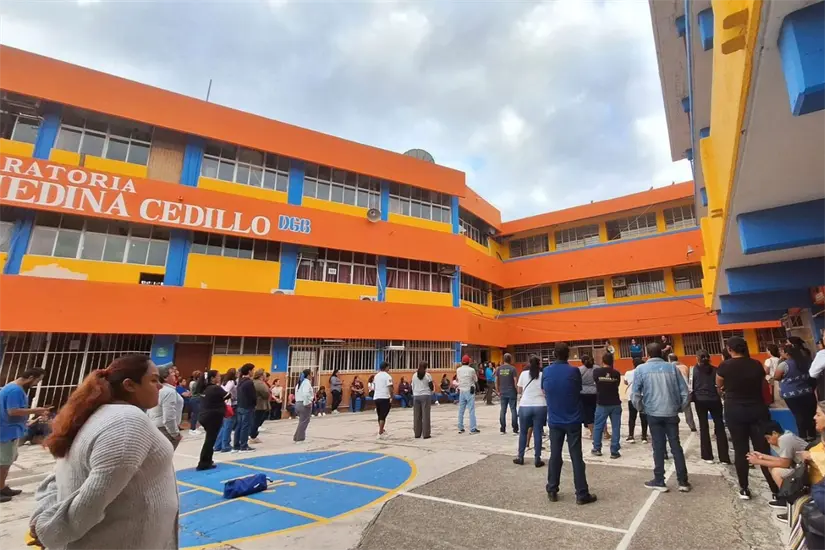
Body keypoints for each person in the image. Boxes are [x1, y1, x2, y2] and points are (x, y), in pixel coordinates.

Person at [28, 356, 177, 550]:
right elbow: (93, 498)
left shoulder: (103, 415)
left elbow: (56, 476)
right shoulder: (127, 421)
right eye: (154, 379)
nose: (160, 386)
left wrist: (45, 518)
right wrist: (49, 530)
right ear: (129, 385)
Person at [716, 335, 779, 500]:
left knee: (740, 450)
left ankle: (744, 488)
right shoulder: (756, 364)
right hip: (757, 409)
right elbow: (762, 384)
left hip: (735, 411)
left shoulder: (724, 366)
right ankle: (775, 490)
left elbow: (719, 385)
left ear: (729, 350)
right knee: (763, 450)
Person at [631, 342, 691, 493]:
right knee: (676, 445)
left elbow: (635, 394)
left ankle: (659, 480)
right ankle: (683, 481)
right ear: (662, 353)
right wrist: (679, 407)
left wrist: (641, 408)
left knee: (658, 446)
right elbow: (685, 392)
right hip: (671, 412)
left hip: (653, 412)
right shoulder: (672, 368)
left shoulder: (641, 369)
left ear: (648, 354)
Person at [543, 343, 596, 505]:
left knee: (555, 455)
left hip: (555, 419)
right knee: (576, 457)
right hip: (572, 419)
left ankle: (552, 489)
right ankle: (581, 493)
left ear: (553, 354)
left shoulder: (546, 371)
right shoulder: (573, 371)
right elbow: (577, 389)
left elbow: (545, 390)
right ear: (568, 355)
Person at [0, 368, 48, 503]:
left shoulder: (13, 387)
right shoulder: (15, 390)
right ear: (31, 377)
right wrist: (36, 410)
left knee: (7, 461)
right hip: (6, 432)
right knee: (3, 463)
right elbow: (12, 411)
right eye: (37, 380)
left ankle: (2, 486)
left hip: (10, 431)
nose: (36, 383)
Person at [747, 421, 809, 509]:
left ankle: (788, 501)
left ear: (774, 433)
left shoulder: (784, 439)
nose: (768, 442)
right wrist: (762, 456)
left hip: (808, 470)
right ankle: (785, 497)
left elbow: (784, 464)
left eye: (768, 438)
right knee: (772, 467)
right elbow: (783, 460)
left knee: (777, 472)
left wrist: (758, 461)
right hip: (801, 468)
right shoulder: (785, 437)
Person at [691, 350, 731, 465]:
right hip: (714, 399)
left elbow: (691, 385)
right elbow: (720, 385)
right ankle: (724, 457)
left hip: (700, 400)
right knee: (720, 426)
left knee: (703, 427)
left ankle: (707, 456)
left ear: (697, 358)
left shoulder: (694, 370)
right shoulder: (716, 369)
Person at [776, 343, 818, 441]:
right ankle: (812, 434)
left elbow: (777, 376)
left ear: (786, 353)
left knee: (798, 414)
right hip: (807, 391)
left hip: (791, 394)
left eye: (781, 351)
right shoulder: (805, 361)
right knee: (810, 413)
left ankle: (803, 436)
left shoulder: (784, 364)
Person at [513, 356, 546, 467]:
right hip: (540, 405)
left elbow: (519, 389)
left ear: (529, 363)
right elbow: (545, 390)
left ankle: (520, 457)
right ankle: (537, 458)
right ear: (539, 364)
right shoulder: (543, 375)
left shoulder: (523, 374)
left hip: (525, 405)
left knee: (523, 432)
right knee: (538, 432)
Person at [195, 370, 228, 471]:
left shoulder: (205, 389)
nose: (220, 377)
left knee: (210, 439)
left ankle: (208, 460)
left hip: (204, 416)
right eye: (218, 376)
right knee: (210, 440)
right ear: (213, 378)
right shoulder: (215, 388)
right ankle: (204, 462)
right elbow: (228, 395)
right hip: (213, 416)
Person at [147, 364, 184, 450]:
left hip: (156, 427)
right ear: (165, 378)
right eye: (172, 373)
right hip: (166, 430)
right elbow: (168, 417)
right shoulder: (169, 391)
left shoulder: (159, 390)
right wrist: (175, 434)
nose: (175, 374)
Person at [592, 352, 622, 459]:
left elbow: (596, 382)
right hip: (615, 403)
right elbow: (617, 384)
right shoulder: (616, 373)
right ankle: (614, 451)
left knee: (598, 426)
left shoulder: (597, 372)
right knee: (616, 427)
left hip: (602, 403)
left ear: (602, 361)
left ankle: (597, 448)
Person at [669, 353, 697, 432]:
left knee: (673, 410)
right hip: (686, 389)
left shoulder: (670, 367)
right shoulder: (684, 366)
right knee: (688, 410)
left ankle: (674, 427)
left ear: (669, 359)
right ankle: (692, 426)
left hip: (675, 391)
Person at [233, 364, 256, 453]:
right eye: (253, 370)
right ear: (249, 371)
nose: (253, 372)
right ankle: (244, 446)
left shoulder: (240, 381)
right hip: (247, 407)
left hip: (240, 406)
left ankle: (236, 445)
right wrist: (254, 404)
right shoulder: (249, 382)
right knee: (245, 426)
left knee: (239, 426)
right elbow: (252, 396)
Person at [624, 357, 648, 444]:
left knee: (632, 417)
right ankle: (644, 437)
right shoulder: (644, 373)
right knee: (643, 417)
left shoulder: (628, 373)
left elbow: (625, 382)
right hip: (643, 397)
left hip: (632, 398)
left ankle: (631, 436)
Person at [214, 368, 237, 453]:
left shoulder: (223, 382)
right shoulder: (231, 382)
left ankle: (217, 445)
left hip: (223, 405)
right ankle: (225, 445)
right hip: (228, 405)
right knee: (228, 426)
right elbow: (227, 392)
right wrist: (231, 396)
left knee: (224, 426)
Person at [456, 355, 480, 434]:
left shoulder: (458, 370)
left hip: (461, 391)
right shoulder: (471, 370)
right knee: (471, 410)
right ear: (468, 362)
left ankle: (460, 427)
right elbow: (475, 379)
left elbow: (458, 379)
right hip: (470, 390)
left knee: (461, 410)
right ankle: (473, 428)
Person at [496, 353, 519, 435]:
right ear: (510, 359)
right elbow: (515, 381)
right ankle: (515, 429)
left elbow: (497, 380)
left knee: (503, 410)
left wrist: (498, 390)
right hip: (512, 391)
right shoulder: (513, 369)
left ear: (503, 359)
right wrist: (517, 391)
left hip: (502, 391)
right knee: (513, 410)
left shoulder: (499, 369)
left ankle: (502, 429)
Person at [412, 361, 434, 439]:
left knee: (417, 416)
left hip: (416, 396)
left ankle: (417, 433)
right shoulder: (428, 375)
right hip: (425, 395)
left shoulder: (414, 375)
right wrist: (431, 392)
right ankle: (426, 434)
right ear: (426, 367)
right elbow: (431, 386)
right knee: (425, 415)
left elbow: (413, 386)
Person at [579, 354, 598, 439]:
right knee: (597, 412)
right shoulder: (597, 368)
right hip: (596, 392)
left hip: (583, 393)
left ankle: (592, 433)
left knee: (587, 414)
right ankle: (605, 432)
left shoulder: (580, 370)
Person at [250, 369, 270, 443]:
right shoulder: (259, 383)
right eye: (264, 374)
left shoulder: (254, 382)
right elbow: (265, 393)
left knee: (255, 420)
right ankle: (253, 436)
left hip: (257, 404)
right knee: (257, 420)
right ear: (261, 376)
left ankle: (253, 434)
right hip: (260, 404)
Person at [374, 362, 393, 438]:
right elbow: (390, 387)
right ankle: (380, 432)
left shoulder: (376, 376)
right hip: (384, 397)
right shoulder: (387, 376)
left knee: (379, 415)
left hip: (376, 397)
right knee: (383, 415)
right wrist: (391, 396)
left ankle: (382, 429)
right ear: (386, 368)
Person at [294, 369, 314, 442]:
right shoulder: (306, 383)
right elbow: (305, 394)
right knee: (304, 421)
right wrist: (307, 403)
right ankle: (300, 439)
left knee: (302, 421)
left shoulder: (299, 383)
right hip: (303, 404)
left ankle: (296, 436)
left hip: (298, 403)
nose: (312, 375)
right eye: (311, 374)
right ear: (308, 375)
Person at [188, 370, 203, 434]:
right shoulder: (195, 383)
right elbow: (199, 391)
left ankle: (196, 426)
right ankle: (192, 429)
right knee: (195, 414)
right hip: (195, 399)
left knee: (198, 413)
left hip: (195, 399)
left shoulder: (193, 383)